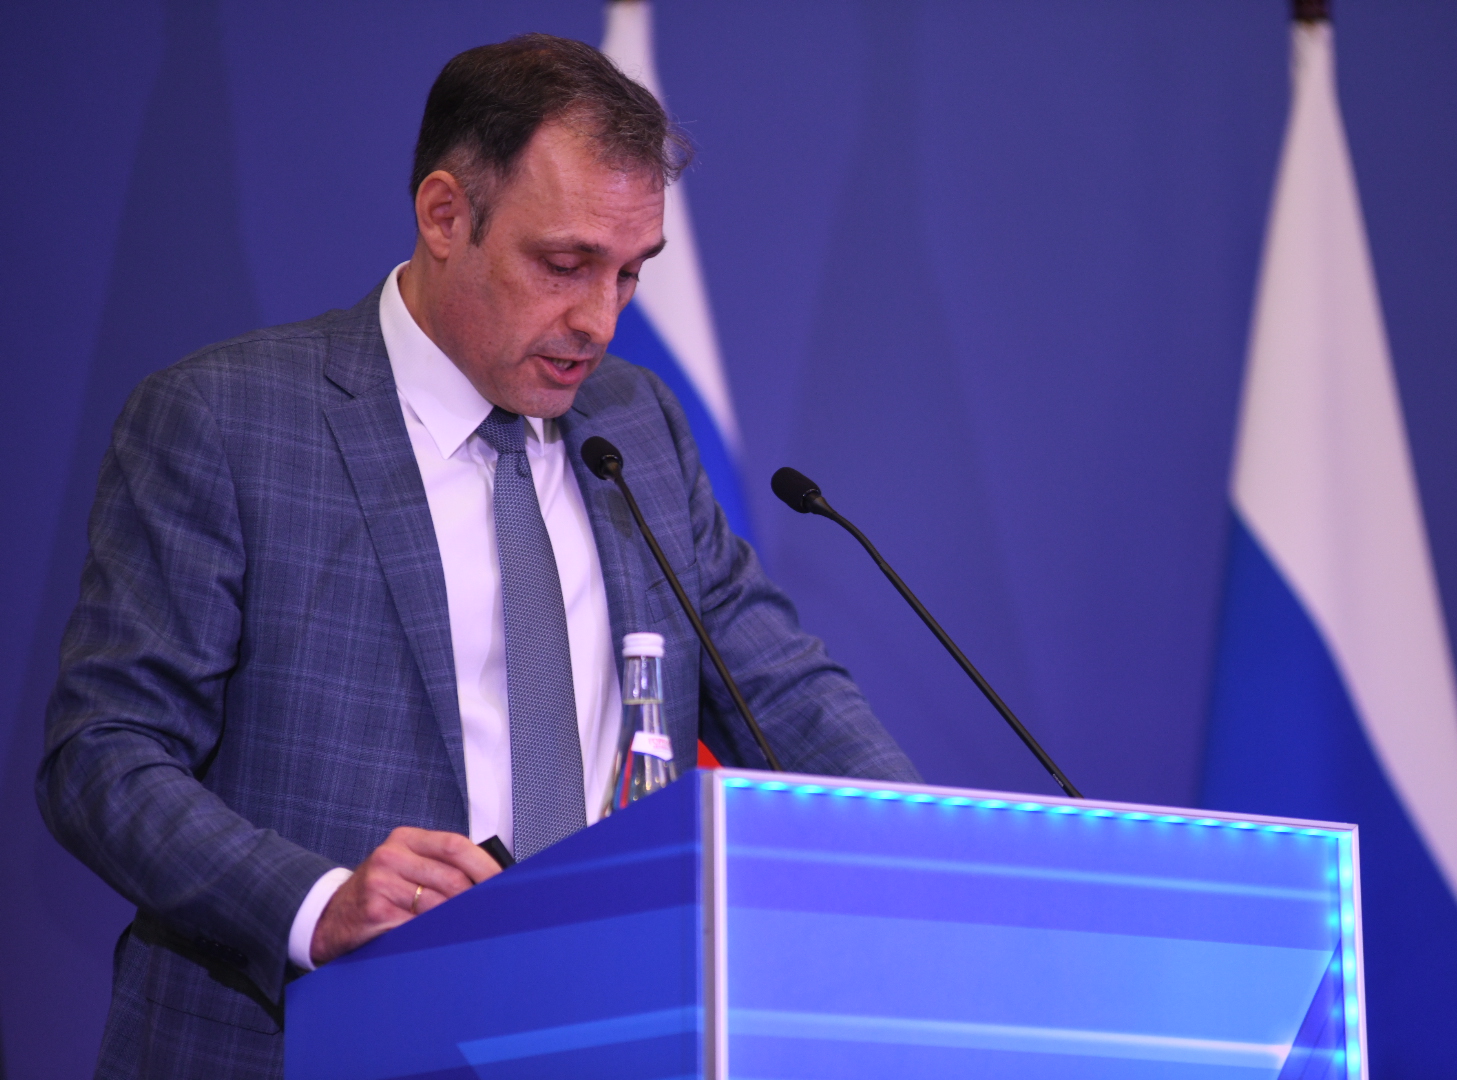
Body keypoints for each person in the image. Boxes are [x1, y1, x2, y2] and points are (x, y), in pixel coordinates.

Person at [38, 33, 918, 1080]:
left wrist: (937, 862)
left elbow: (778, 687)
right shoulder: (226, 422)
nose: (599, 321)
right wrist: (319, 903)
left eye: (631, 274)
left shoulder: (636, 425)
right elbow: (103, 753)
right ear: (446, 215)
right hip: (299, 1042)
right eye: (565, 265)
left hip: (596, 1036)